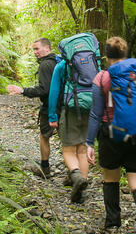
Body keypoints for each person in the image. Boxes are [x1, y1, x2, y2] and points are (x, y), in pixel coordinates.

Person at [86, 36, 136, 233]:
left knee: (111, 177)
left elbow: (96, 113)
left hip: (111, 135)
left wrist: (89, 143)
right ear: (125, 53)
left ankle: (112, 223)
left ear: (106, 56)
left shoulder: (102, 77)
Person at [47, 50, 93, 204]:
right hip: (89, 109)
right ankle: (82, 184)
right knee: (82, 149)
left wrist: (52, 116)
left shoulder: (62, 65)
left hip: (70, 110)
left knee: (68, 149)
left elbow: (53, 92)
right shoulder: (91, 64)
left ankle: (77, 177)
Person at [7, 38, 57, 178]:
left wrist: (23, 91)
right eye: (34, 49)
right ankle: (74, 174)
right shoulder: (58, 62)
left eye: (37, 49)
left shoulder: (45, 65)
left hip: (50, 107)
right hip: (65, 105)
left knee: (44, 136)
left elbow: (44, 90)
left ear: (47, 48)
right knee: (67, 141)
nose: (35, 52)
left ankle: (45, 168)